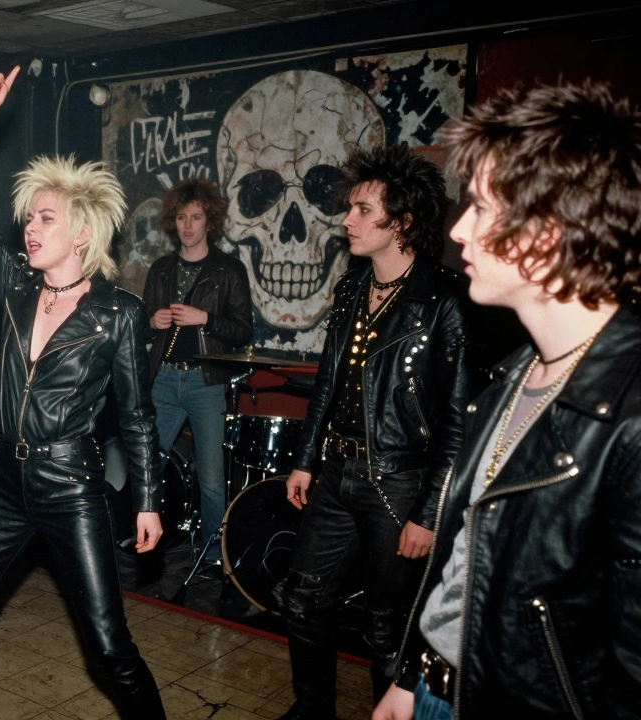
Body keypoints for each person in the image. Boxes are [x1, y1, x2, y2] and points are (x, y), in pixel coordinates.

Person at [374, 81, 641, 720]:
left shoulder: (628, 416)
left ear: (552, 231)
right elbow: (464, 565)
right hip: (441, 689)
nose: (460, 230)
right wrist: (412, 677)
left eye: (483, 209)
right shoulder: (512, 378)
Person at [0, 66, 166, 720]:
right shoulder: (14, 286)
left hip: (71, 488)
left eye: (45, 218)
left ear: (83, 233)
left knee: (106, 644)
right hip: (6, 483)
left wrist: (146, 501)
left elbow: (139, 418)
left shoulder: (118, 313)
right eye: (29, 217)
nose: (29, 229)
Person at [272, 145, 472, 720]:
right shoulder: (352, 288)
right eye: (350, 208)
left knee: (388, 629)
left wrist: (430, 512)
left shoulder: (443, 301)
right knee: (304, 603)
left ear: (402, 221)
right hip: (335, 473)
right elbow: (329, 383)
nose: (347, 220)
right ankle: (313, 711)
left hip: (400, 484)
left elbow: (459, 424)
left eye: (362, 209)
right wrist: (306, 459)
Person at [143, 176, 253, 548]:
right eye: (180, 218)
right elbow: (142, 328)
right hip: (164, 380)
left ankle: (210, 557)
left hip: (207, 384)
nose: (187, 225)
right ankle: (144, 541)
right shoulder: (160, 269)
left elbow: (243, 332)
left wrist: (204, 318)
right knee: (147, 467)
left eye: (195, 217)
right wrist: (150, 322)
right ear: (172, 222)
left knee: (210, 479)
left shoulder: (229, 270)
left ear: (210, 221)